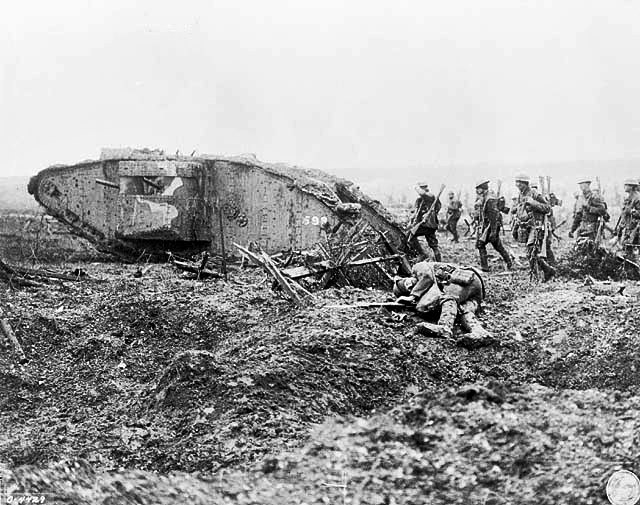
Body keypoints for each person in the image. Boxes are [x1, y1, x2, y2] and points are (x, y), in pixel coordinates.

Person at [394, 260, 492, 346]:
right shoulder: (427, 290)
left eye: (407, 283)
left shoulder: (419, 267)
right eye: (408, 289)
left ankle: (445, 326)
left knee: (448, 297)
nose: (411, 286)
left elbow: (427, 276)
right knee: (463, 310)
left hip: (463, 278)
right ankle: (479, 332)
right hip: (475, 290)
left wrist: (412, 296)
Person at [513, 175, 555, 281]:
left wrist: (533, 202)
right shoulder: (520, 194)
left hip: (536, 226)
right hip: (526, 226)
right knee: (532, 253)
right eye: (517, 182)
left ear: (526, 183)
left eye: (520, 183)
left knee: (531, 252)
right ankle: (548, 270)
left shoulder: (534, 193)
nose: (518, 185)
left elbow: (547, 208)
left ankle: (534, 278)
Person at [474, 180, 512, 271]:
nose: (477, 190)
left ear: (483, 188)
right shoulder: (486, 197)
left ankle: (485, 267)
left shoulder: (490, 199)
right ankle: (509, 261)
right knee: (497, 245)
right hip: (489, 225)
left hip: (491, 226)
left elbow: (493, 217)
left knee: (480, 244)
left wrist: (494, 231)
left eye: (478, 188)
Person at [409, 182, 442, 261]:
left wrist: (416, 187)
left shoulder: (430, 197)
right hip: (427, 225)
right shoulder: (419, 200)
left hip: (428, 225)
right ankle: (439, 262)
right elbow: (415, 213)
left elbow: (423, 194)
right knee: (434, 245)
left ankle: (421, 254)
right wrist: (411, 222)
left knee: (411, 235)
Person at [617, 179, 640, 260]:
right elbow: (624, 215)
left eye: (627, 185)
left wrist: (631, 211)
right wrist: (620, 227)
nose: (625, 187)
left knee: (633, 251)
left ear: (632, 186)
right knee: (626, 250)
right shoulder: (628, 197)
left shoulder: (637, 197)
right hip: (628, 228)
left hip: (635, 229)